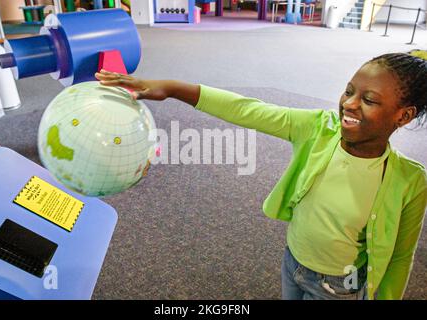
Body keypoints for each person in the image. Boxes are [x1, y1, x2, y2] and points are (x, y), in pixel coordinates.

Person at [95, 52, 427, 300]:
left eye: (368, 100)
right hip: (292, 260)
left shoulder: (410, 181)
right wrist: (170, 88)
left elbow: (399, 256)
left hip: (338, 285)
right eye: (349, 91)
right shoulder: (318, 128)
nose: (349, 105)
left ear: (403, 115)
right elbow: (248, 109)